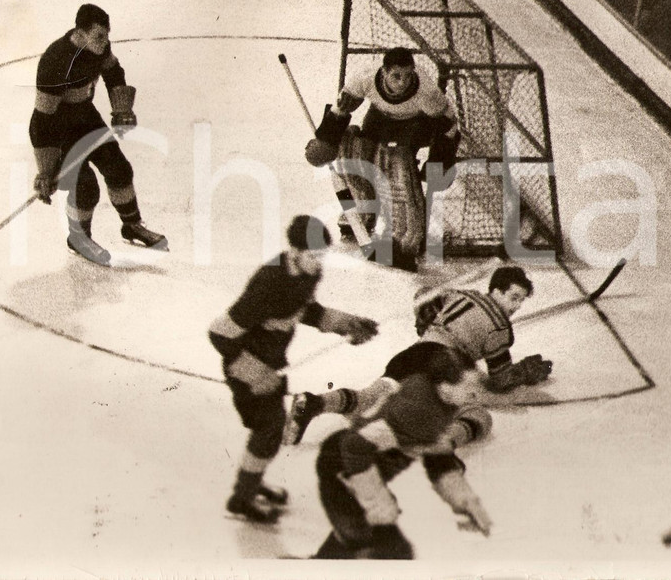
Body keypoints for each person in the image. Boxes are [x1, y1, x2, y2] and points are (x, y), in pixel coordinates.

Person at [208, 215, 379, 524]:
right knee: (270, 429)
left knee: (269, 431)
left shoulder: (306, 273)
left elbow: (305, 310)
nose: (318, 262)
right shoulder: (269, 282)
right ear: (295, 251)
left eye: (322, 255)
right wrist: (255, 374)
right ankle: (241, 499)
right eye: (313, 255)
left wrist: (346, 323)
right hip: (246, 366)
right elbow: (220, 333)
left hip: (270, 364)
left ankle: (251, 483)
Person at [283, 265, 552, 450]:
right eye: (513, 297)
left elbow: (423, 295)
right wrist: (524, 373)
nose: (516, 306)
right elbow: (499, 379)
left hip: (413, 354)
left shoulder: (460, 294)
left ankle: (315, 403)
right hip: (448, 366)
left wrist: (426, 323)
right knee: (479, 417)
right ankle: (445, 443)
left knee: (367, 399)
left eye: (521, 301)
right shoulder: (502, 330)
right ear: (496, 291)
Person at [313, 349, 496, 559]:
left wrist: (464, 501)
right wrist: (377, 502)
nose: (474, 393)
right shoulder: (417, 409)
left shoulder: (440, 400)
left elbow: (438, 457)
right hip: (341, 467)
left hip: (354, 467)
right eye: (468, 386)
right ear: (445, 386)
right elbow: (354, 446)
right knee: (379, 546)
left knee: (369, 541)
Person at [29, 3, 166, 265]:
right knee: (85, 187)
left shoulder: (99, 47)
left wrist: (121, 109)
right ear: (80, 34)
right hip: (58, 127)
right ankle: (78, 238)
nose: (105, 43)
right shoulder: (55, 61)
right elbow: (42, 121)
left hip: (84, 116)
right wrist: (46, 169)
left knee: (119, 170)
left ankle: (132, 225)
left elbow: (113, 72)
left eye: (107, 36)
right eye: (99, 37)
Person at [304, 47, 460, 272]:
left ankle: (405, 239)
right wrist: (325, 142)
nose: (403, 82)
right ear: (384, 72)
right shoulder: (365, 78)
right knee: (353, 153)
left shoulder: (427, 93)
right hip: (379, 119)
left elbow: (449, 126)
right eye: (397, 76)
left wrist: (440, 161)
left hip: (415, 125)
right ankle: (364, 210)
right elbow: (341, 110)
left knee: (398, 168)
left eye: (408, 75)